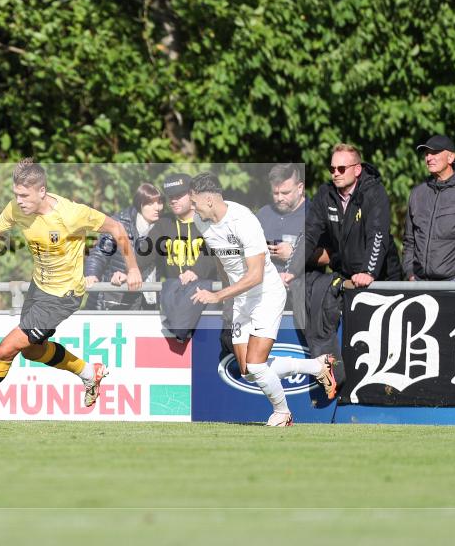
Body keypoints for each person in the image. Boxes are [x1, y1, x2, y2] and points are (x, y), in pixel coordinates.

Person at [0, 158, 142, 421]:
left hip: (63, 295)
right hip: (38, 289)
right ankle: (89, 372)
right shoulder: (17, 210)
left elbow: (117, 228)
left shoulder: (71, 214)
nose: (19, 201)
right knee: (30, 350)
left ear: (42, 191)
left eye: (24, 195)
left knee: (6, 349)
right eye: (16, 194)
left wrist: (132, 268)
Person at [188, 172, 336, 427]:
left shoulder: (242, 220)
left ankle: (283, 414)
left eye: (194, 202)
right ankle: (317, 367)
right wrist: (228, 297)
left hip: (266, 294)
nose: (192, 207)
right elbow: (223, 263)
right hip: (239, 296)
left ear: (209, 199)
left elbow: (255, 275)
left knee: (257, 366)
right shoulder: (202, 222)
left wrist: (218, 295)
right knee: (247, 370)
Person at [303, 144, 402, 386]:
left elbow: (377, 235)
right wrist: (292, 268)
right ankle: (336, 378)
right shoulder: (325, 194)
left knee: (384, 345)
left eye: (341, 168)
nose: (335, 173)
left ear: (357, 170)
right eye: (332, 168)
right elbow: (308, 235)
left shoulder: (373, 192)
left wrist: (368, 271)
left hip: (382, 276)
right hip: (346, 274)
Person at [145, 173, 219, 342]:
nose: (174, 200)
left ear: (192, 194)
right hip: (176, 301)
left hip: (207, 298)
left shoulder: (209, 220)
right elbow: (144, 252)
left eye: (179, 195)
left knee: (207, 350)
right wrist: (129, 269)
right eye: (170, 197)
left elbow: (216, 250)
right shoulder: (164, 224)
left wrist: (196, 270)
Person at [403, 134, 455, 280]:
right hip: (418, 283)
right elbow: (409, 240)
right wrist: (409, 273)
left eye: (435, 153)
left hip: (453, 285)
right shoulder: (418, 194)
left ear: (450, 158)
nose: (429, 158)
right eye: (427, 154)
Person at [84, 182, 163, 310]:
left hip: (147, 302)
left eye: (159, 202)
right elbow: (99, 254)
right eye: (150, 203)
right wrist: (92, 274)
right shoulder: (119, 223)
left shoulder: (164, 227)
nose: (157, 207)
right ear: (139, 204)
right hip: (114, 299)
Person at [256, 163, 307, 312]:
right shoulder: (264, 214)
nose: (279, 198)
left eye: (285, 193)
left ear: (300, 187)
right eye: (275, 193)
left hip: (300, 301)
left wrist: (295, 255)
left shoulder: (314, 214)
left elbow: (327, 256)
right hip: (264, 299)